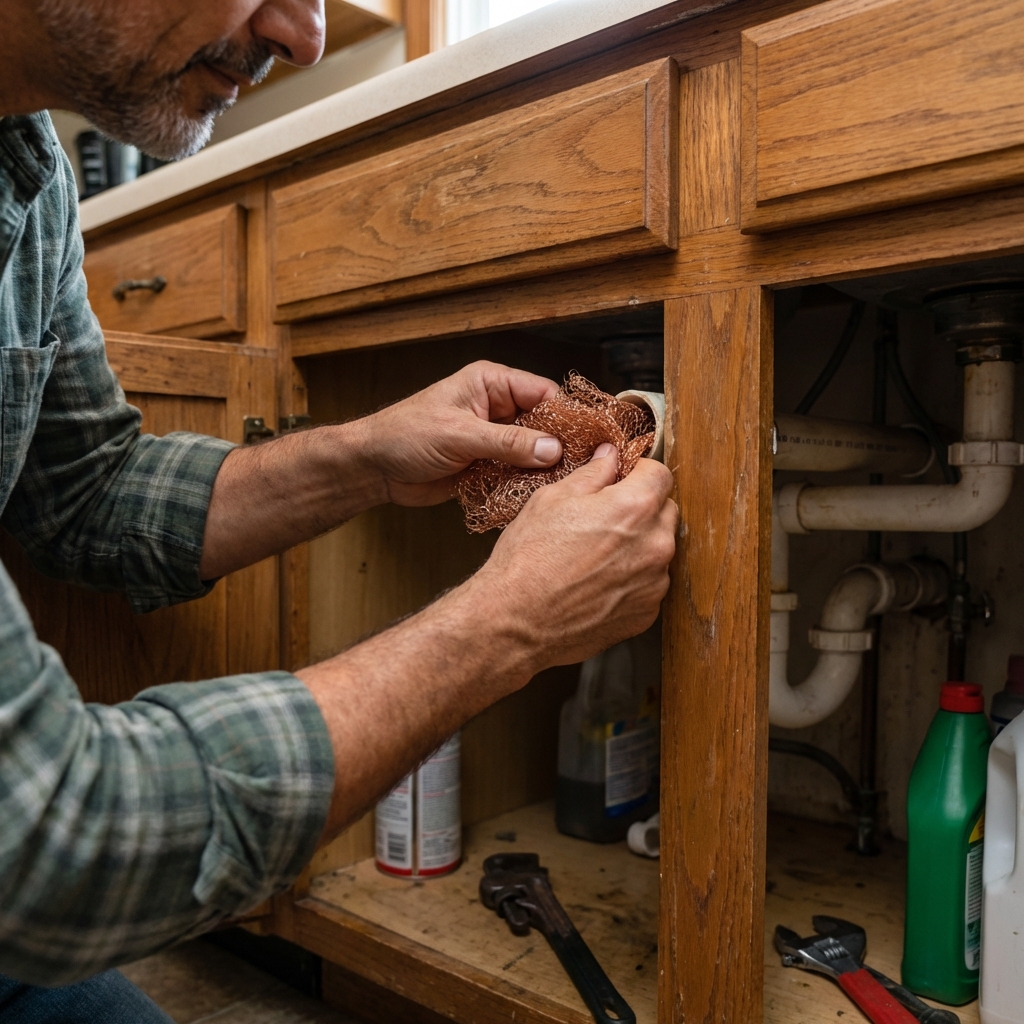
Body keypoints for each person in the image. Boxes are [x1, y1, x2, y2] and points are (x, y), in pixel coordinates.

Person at [0, 1, 678, 1019]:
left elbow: (85, 491)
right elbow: (54, 837)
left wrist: (363, 455)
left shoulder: (33, 181)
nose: (304, 36)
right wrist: (508, 622)